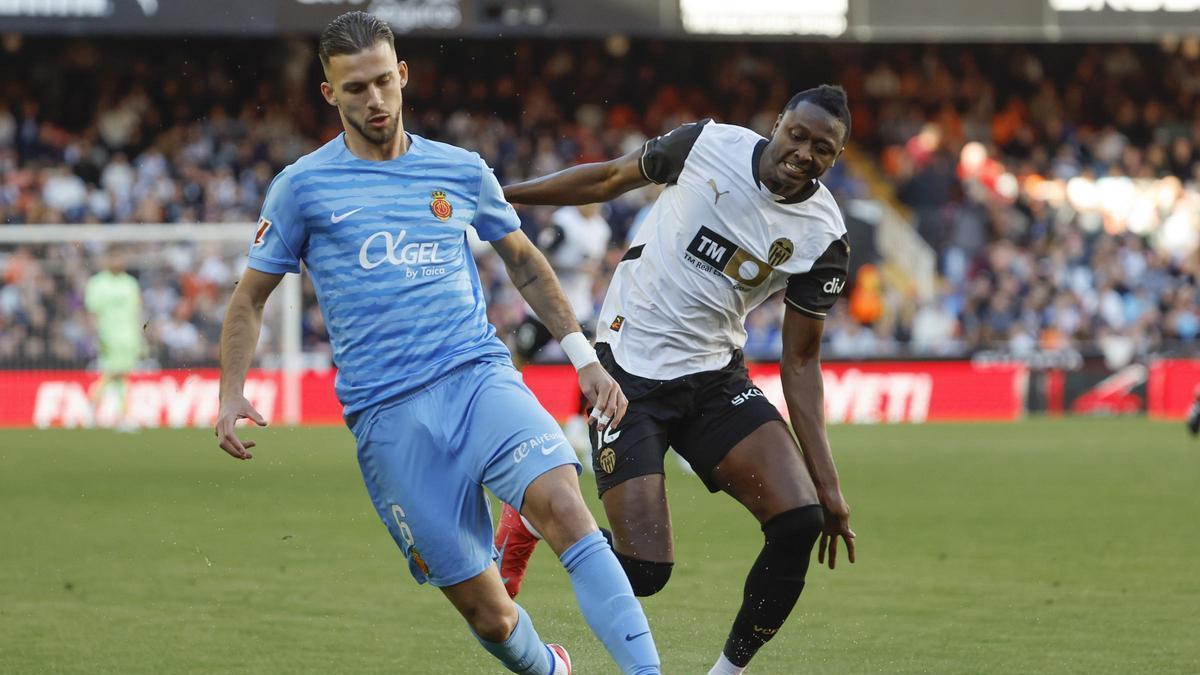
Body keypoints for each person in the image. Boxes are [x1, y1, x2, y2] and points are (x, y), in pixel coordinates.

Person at [213, 12, 660, 675]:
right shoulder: (303, 188)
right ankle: (551, 669)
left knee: (568, 508)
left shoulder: (459, 169)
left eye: (381, 83)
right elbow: (249, 298)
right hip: (389, 417)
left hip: (477, 377)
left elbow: (528, 263)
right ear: (328, 94)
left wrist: (585, 360)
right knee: (490, 614)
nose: (373, 100)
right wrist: (230, 395)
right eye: (354, 88)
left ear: (402, 76)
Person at [497, 85, 858, 675]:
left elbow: (800, 363)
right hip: (627, 373)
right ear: (778, 123)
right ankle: (537, 516)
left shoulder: (824, 235)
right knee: (645, 573)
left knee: (800, 522)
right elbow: (607, 181)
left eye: (824, 149)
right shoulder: (706, 144)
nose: (805, 154)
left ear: (834, 158)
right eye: (799, 135)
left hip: (714, 379)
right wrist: (502, 196)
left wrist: (830, 487)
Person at [85, 246, 143, 430]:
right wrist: (96, 335)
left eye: (120, 257)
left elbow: (137, 312)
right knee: (113, 373)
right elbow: (92, 312)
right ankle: (93, 405)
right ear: (106, 260)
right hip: (108, 336)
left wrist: (141, 337)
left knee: (121, 377)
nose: (118, 261)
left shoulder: (131, 283)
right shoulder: (97, 283)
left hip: (129, 337)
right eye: (114, 258)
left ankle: (119, 416)